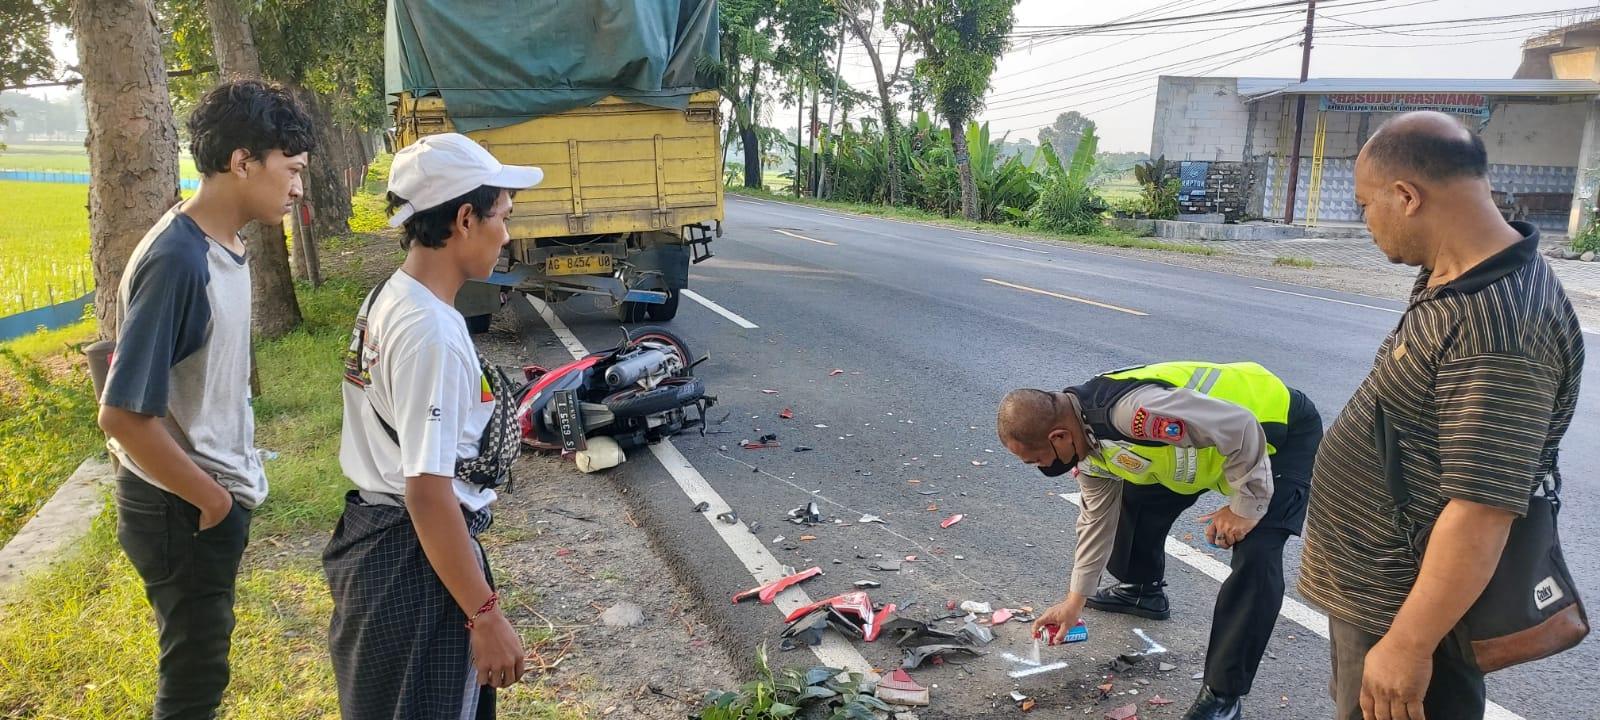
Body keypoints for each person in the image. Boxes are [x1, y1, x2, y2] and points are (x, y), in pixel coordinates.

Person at [1298, 112, 1584, 720]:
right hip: (1374, 588)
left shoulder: (1500, 327)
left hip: (1403, 605)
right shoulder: (1455, 275)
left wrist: (1408, 644)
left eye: (1365, 204)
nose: (1364, 220)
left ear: (1406, 197)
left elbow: (1482, 511)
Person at [97, 79, 313, 720]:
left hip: (203, 497)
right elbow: (123, 415)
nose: (298, 186)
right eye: (291, 169)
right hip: (181, 509)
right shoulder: (179, 260)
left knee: (201, 669)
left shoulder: (226, 245)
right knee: (193, 685)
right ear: (242, 161)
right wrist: (212, 499)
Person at [323, 132, 541, 719]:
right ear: (465, 218)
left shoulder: (392, 297)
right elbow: (426, 491)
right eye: (503, 216)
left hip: (382, 541)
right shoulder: (431, 334)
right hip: (414, 564)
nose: (508, 233)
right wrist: (484, 613)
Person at [998, 361, 1323, 720]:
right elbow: (1095, 519)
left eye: (1036, 459)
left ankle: (1223, 696)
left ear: (1058, 436)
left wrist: (1246, 507)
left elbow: (1241, 426)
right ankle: (1143, 590)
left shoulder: (1133, 415)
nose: (1040, 467)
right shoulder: (1086, 442)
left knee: (1258, 552)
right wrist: (1075, 602)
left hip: (1276, 433)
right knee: (1135, 498)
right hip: (1207, 452)